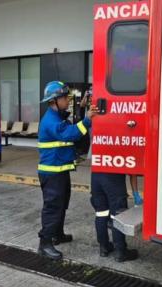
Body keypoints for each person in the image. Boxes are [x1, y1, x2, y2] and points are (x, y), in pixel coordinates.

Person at [37, 81, 98, 260]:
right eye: (65, 97)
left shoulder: (58, 117)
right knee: (53, 207)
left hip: (60, 171)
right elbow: (70, 134)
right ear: (54, 100)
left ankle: (58, 234)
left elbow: (70, 129)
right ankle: (45, 244)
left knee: (62, 204)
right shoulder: (51, 121)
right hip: (52, 173)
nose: (67, 100)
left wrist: (81, 111)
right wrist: (87, 120)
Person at [91, 172, 139, 262]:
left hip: (96, 178)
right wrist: (135, 193)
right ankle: (120, 252)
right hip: (114, 180)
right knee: (117, 216)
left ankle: (104, 247)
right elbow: (133, 172)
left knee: (101, 213)